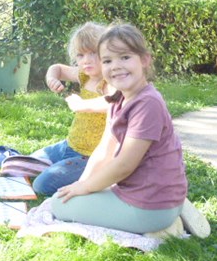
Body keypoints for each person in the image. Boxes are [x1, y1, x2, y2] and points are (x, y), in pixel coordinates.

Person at [51, 23, 207, 236]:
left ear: (144, 60)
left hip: (149, 205)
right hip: (137, 191)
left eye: (124, 57)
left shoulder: (148, 104)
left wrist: (86, 188)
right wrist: (80, 185)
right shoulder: (118, 99)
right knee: (65, 197)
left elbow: (124, 165)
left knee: (58, 206)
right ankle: (166, 215)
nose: (115, 66)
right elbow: (104, 151)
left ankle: (165, 226)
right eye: (107, 60)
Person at [30, 22, 112, 196]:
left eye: (93, 53)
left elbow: (114, 101)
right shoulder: (84, 75)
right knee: (26, 163)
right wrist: (52, 79)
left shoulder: (110, 81)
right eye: (80, 55)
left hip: (89, 157)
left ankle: (91, 178)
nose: (86, 60)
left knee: (42, 185)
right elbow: (57, 68)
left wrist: (83, 105)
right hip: (69, 145)